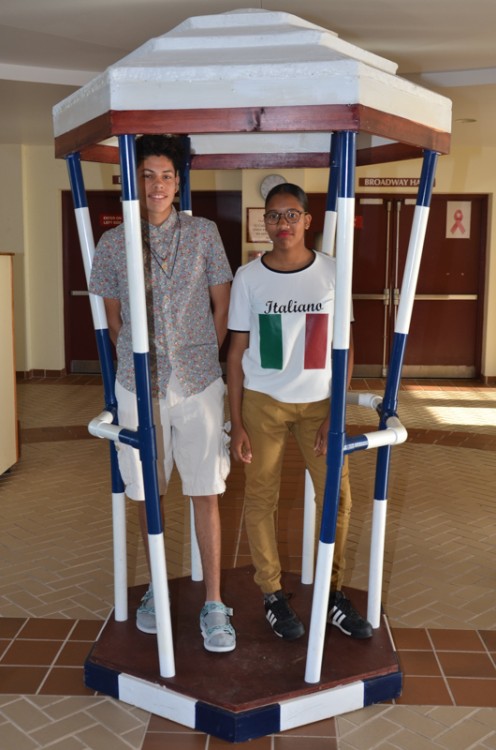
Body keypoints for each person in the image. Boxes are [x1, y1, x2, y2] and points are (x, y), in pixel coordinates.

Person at [89, 134, 236, 653]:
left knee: (205, 489)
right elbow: (113, 320)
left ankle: (214, 602)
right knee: (148, 490)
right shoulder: (114, 243)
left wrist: (200, 356)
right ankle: (156, 586)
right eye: (147, 175)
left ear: (178, 182)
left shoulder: (204, 234)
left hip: (197, 382)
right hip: (139, 383)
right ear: (132, 181)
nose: (157, 185)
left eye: (166, 176)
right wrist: (143, 360)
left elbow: (223, 306)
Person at [227, 183, 372, 641]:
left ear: (307, 220)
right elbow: (236, 352)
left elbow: (346, 348)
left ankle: (331, 592)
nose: (282, 223)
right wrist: (236, 423)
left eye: (291, 214)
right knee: (261, 498)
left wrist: (335, 415)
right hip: (262, 403)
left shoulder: (333, 272)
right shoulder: (248, 277)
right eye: (273, 215)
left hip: (320, 405)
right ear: (264, 223)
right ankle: (272, 593)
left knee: (337, 498)